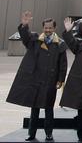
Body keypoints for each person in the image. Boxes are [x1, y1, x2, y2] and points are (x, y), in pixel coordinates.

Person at [7, 11, 67, 142]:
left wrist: (61, 80)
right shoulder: (34, 40)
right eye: (46, 28)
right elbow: (25, 37)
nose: (48, 30)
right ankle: (31, 134)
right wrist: (24, 25)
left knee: (49, 110)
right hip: (35, 80)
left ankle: (49, 134)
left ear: (54, 28)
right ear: (43, 28)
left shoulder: (61, 44)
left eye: (50, 28)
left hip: (50, 82)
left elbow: (63, 64)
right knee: (34, 109)